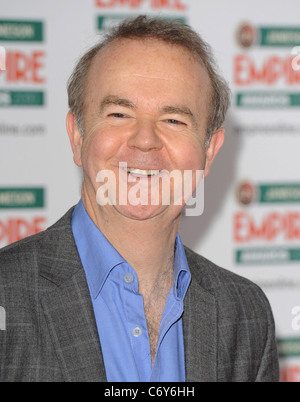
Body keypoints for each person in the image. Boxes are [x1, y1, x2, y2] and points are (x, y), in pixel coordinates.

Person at [0, 16, 279, 382]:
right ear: (77, 137)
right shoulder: (7, 293)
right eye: (119, 113)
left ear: (209, 152)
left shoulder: (245, 313)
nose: (145, 140)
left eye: (174, 120)